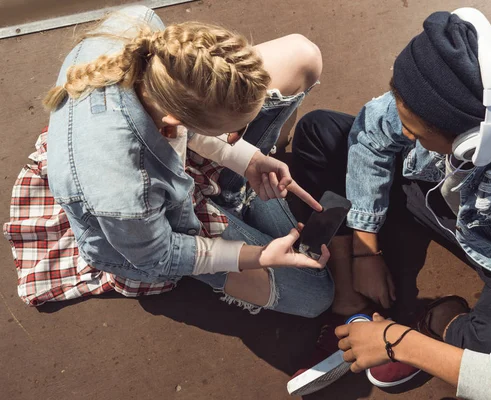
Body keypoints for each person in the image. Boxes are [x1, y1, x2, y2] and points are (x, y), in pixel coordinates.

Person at [290, 8, 491, 399]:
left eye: (414, 131)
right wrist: (364, 251)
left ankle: (439, 319)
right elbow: (374, 130)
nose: (401, 131)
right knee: (320, 132)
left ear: (470, 143)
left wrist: (398, 342)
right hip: (450, 198)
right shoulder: (468, 88)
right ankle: (347, 295)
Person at [5, 5, 335, 317]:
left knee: (300, 55)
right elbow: (160, 256)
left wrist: (249, 159)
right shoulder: (124, 192)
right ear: (176, 122)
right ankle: (229, 209)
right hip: (145, 223)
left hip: (157, 165)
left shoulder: (139, 27)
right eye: (233, 131)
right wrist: (258, 256)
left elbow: (185, 128)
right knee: (316, 295)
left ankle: (230, 200)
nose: (238, 136)